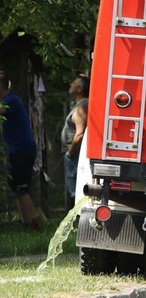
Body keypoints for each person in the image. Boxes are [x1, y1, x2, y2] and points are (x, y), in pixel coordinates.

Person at [0, 72, 40, 229]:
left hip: (21, 148)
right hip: (17, 148)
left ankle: (32, 223)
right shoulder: (10, 99)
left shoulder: (10, 100)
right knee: (17, 188)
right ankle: (27, 222)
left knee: (21, 188)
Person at [61, 74, 89, 211]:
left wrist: (69, 152)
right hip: (75, 154)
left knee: (74, 188)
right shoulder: (82, 105)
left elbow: (79, 133)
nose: (70, 84)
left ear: (80, 89)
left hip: (74, 155)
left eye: (74, 83)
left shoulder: (82, 107)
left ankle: (78, 220)